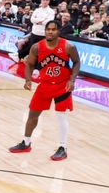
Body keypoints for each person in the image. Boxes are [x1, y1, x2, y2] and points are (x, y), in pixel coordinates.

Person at [9, 21, 80, 161]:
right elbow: (29, 64)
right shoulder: (37, 47)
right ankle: (26, 143)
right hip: (45, 84)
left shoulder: (68, 46)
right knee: (32, 113)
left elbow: (77, 62)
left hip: (62, 85)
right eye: (48, 29)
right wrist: (28, 80)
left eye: (53, 29)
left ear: (58, 31)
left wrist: (72, 80)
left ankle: (62, 147)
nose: (50, 32)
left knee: (61, 116)